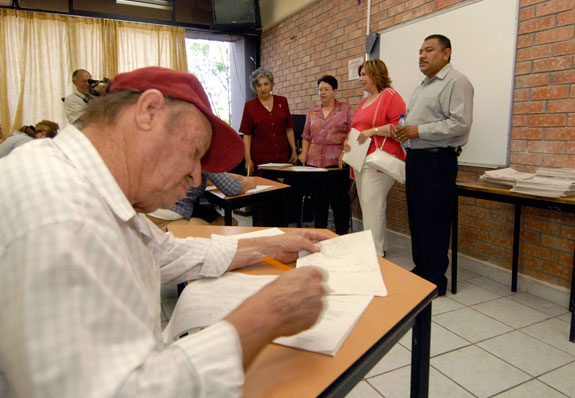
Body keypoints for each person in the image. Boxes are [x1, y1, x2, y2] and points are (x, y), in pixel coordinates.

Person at [0, 66, 329, 397]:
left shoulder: (86, 187)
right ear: (149, 112)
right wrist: (264, 316)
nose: (198, 178)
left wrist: (271, 244)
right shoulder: (59, 216)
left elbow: (161, 251)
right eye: (195, 152)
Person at [393, 34, 474, 296]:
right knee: (417, 218)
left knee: (435, 220)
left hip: (438, 161)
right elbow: (416, 124)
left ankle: (436, 278)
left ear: (446, 53)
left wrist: (418, 131)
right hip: (417, 160)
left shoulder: (456, 81)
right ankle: (422, 268)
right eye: (420, 51)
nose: (422, 56)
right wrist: (404, 131)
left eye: (429, 50)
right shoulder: (422, 87)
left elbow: (460, 124)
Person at [345, 59, 406, 257]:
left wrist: (372, 131)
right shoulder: (365, 101)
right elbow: (356, 129)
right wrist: (348, 142)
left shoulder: (390, 96)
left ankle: (374, 254)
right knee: (370, 207)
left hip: (379, 159)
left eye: (364, 74)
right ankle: (379, 248)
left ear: (375, 75)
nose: (360, 79)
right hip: (362, 159)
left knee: (372, 207)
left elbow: (400, 127)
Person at [300, 75, 354, 235]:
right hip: (314, 164)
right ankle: (320, 237)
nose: (322, 93)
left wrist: (345, 153)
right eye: (320, 90)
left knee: (340, 204)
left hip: (337, 164)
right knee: (319, 203)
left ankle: (342, 236)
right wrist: (303, 153)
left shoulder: (345, 109)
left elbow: (353, 131)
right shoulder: (312, 111)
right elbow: (306, 136)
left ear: (335, 91)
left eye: (326, 89)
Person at [148, 171, 258, 228]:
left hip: (149, 211)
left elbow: (198, 178)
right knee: (229, 223)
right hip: (171, 214)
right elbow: (232, 189)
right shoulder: (202, 151)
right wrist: (248, 184)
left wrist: (230, 177)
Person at [240, 67, 298, 175]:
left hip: (283, 158)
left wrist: (294, 150)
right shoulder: (249, 106)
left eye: (266, 84)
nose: (263, 88)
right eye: (259, 85)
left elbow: (288, 128)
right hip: (261, 160)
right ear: (255, 88)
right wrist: (248, 159)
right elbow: (247, 134)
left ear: (271, 85)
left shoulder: (282, 101)